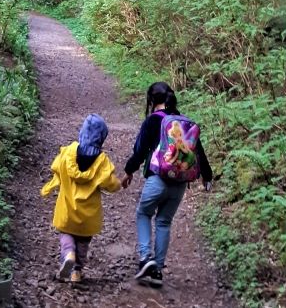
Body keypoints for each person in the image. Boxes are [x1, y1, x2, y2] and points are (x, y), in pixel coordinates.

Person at [121, 82, 213, 287]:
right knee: (163, 222)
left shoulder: (153, 121)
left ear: (152, 100)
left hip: (157, 179)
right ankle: (157, 271)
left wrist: (128, 172)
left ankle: (146, 258)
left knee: (143, 213)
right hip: (179, 184)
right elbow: (199, 152)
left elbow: (140, 151)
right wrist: (207, 176)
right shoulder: (184, 122)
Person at [41, 114, 122, 283]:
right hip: (88, 216)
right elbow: (111, 184)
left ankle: (68, 253)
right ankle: (76, 272)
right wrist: (118, 184)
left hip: (67, 210)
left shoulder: (68, 152)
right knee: (83, 242)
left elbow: (55, 167)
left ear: (81, 133)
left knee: (66, 234)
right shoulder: (102, 160)